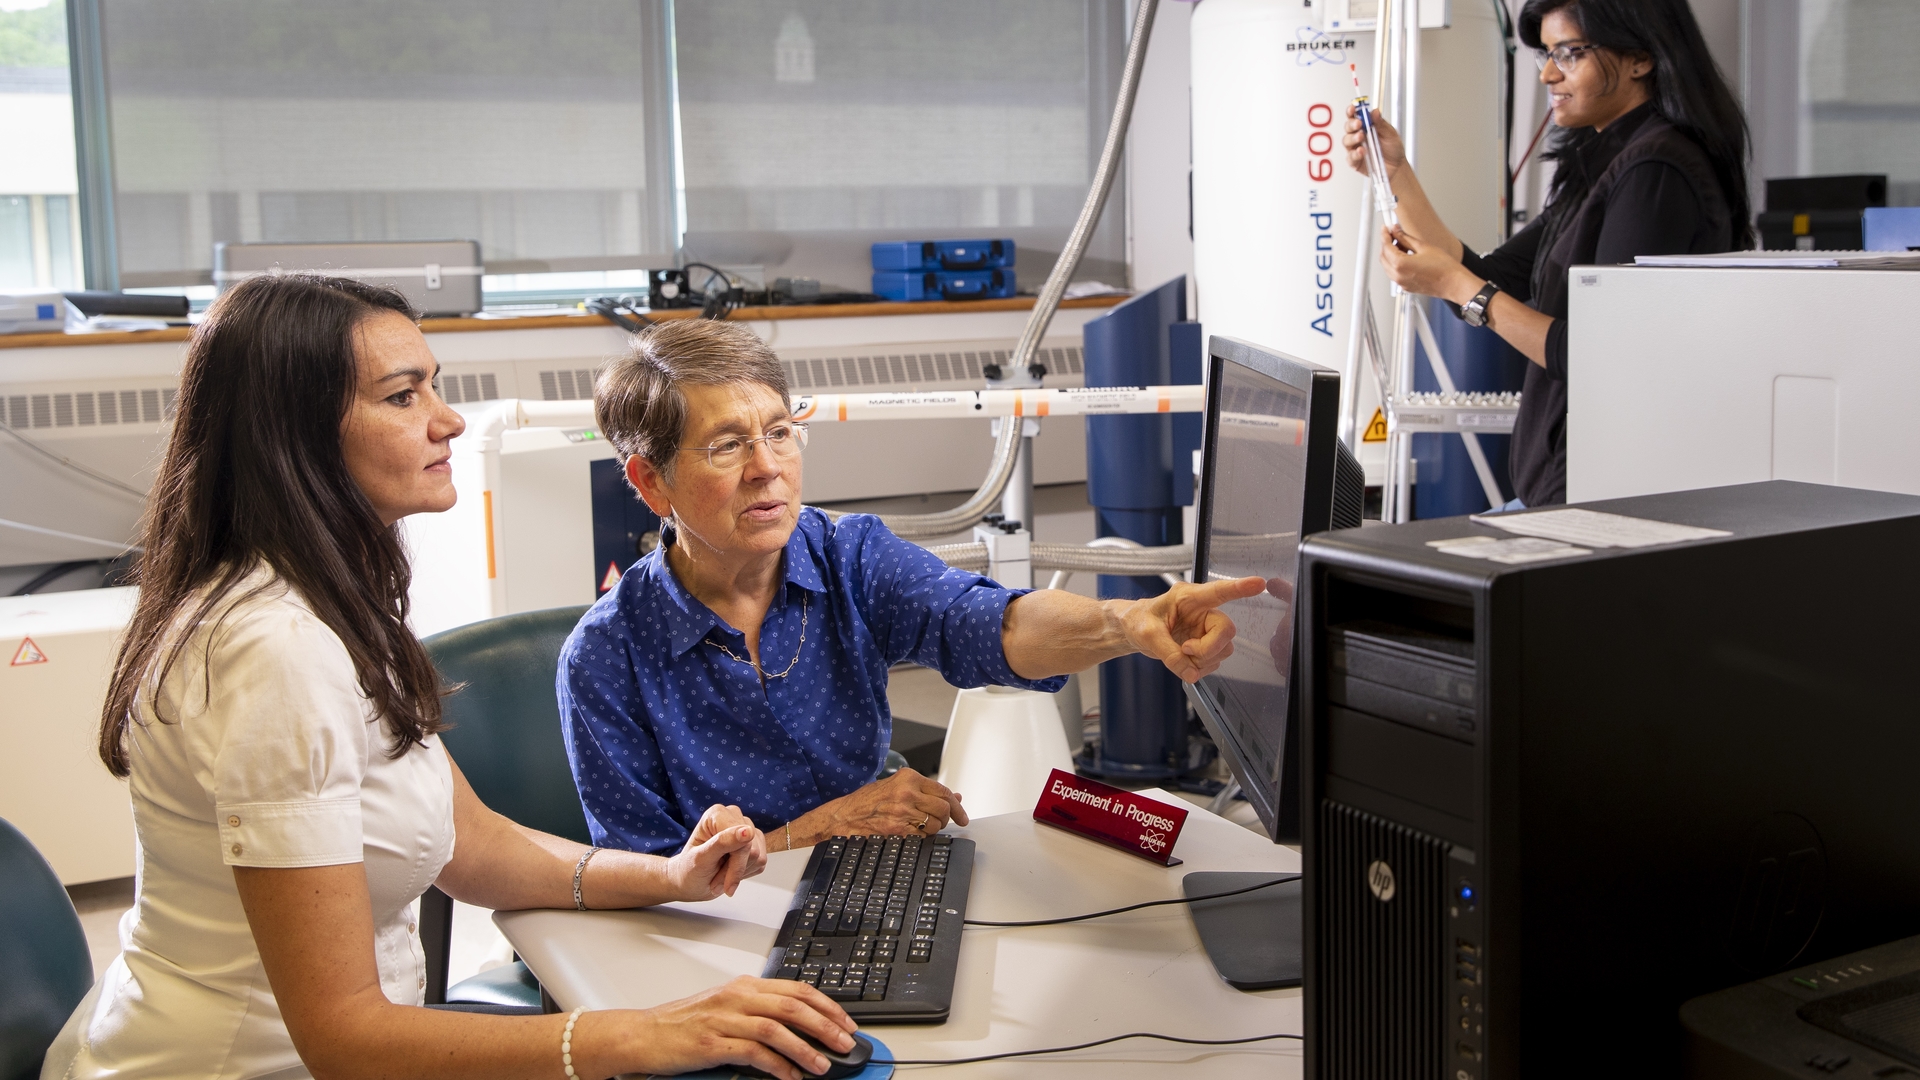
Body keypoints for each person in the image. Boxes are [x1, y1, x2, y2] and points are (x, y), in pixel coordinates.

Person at [46, 275, 859, 1080]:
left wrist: (669, 877)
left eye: (434, 386)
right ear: (293, 435)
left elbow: (471, 846)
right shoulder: (275, 655)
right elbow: (344, 1041)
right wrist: (641, 1034)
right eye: (403, 397)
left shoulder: (329, 602)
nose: (449, 420)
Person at [560, 319, 1264, 855]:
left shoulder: (848, 556)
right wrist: (818, 831)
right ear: (651, 483)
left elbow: (994, 626)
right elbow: (645, 880)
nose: (766, 467)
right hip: (715, 936)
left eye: (779, 432)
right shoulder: (606, 656)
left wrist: (1122, 622)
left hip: (873, 873)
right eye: (726, 445)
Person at [1344, 0, 1750, 507]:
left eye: (1570, 54)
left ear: (1640, 57)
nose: (1548, 75)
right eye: (1546, 55)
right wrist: (1395, 171)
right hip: (1560, 485)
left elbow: (1598, 353)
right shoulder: (1602, 161)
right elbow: (1491, 278)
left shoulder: (1656, 172)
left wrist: (1455, 286)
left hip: (1604, 491)